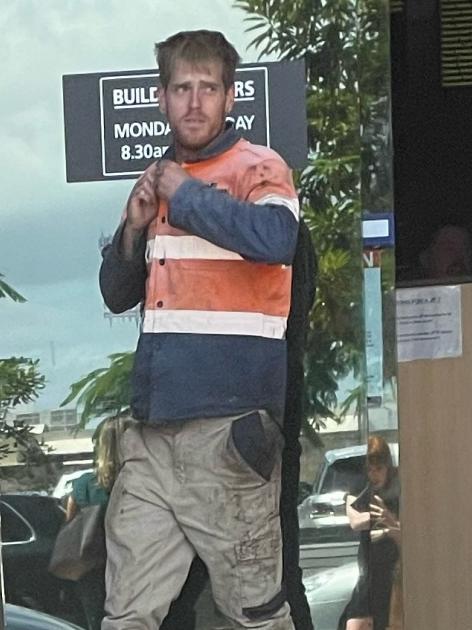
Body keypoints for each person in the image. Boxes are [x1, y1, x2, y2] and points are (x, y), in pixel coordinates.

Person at [99, 29, 304, 629]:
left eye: (207, 88)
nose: (194, 102)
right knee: (126, 616)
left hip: (228, 435)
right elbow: (116, 295)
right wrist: (134, 229)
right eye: (181, 88)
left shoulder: (258, 166)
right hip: (153, 437)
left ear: (230, 97)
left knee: (256, 618)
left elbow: (275, 238)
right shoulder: (159, 183)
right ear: (161, 98)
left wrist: (182, 194)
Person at [65, 417, 129, 630]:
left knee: (96, 621)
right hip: (135, 564)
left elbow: (70, 525)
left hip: (93, 565)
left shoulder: (83, 484)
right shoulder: (141, 482)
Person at [337, 436, 400, 630]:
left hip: (392, 573)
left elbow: (405, 533)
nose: (374, 475)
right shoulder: (362, 488)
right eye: (370, 469)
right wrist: (381, 519)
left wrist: (391, 520)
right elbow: (355, 521)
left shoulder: (398, 492)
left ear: (388, 468)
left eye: (379, 469)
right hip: (368, 574)